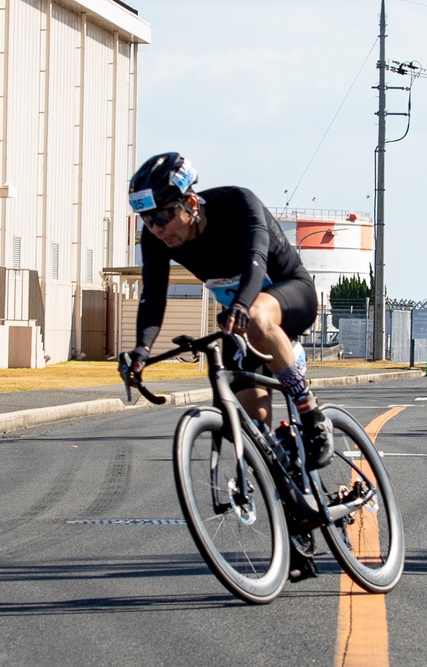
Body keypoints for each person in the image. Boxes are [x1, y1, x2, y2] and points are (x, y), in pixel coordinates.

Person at [120, 152, 331, 580]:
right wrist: (140, 351)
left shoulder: (238, 203)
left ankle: (310, 412)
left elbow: (255, 261)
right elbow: (153, 297)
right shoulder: (157, 240)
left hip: (286, 297)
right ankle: (296, 523)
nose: (157, 229)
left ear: (190, 203)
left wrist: (241, 304)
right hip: (240, 320)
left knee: (256, 318)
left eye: (162, 216)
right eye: (147, 221)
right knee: (256, 433)